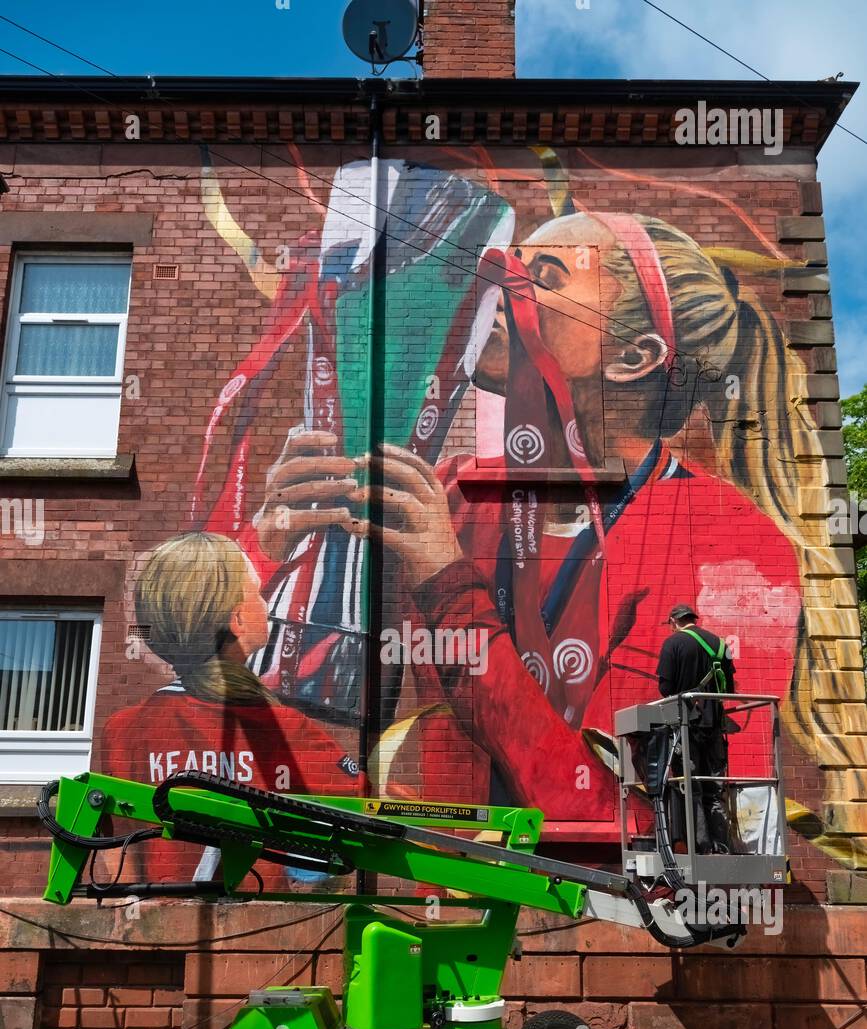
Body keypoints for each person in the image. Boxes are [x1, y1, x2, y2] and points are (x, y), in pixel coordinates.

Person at [250, 209, 807, 831]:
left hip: (594, 917)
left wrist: (448, 584)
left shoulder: (734, 546)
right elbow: (312, 690)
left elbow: (612, 814)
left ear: (632, 355)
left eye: (544, 273)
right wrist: (283, 554)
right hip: (442, 894)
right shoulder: (449, 494)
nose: (499, 281)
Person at [101, 532, 364, 886]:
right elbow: (366, 805)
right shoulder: (281, 728)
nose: (267, 604)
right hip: (257, 930)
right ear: (237, 621)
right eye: (257, 592)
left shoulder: (122, 730)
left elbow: (115, 848)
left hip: (157, 922)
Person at [657, 602, 736, 853]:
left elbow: (666, 688)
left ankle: (702, 847)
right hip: (714, 724)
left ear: (673, 621)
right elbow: (730, 690)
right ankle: (721, 845)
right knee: (714, 787)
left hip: (686, 724)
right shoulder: (720, 645)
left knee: (692, 786)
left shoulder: (673, 644)